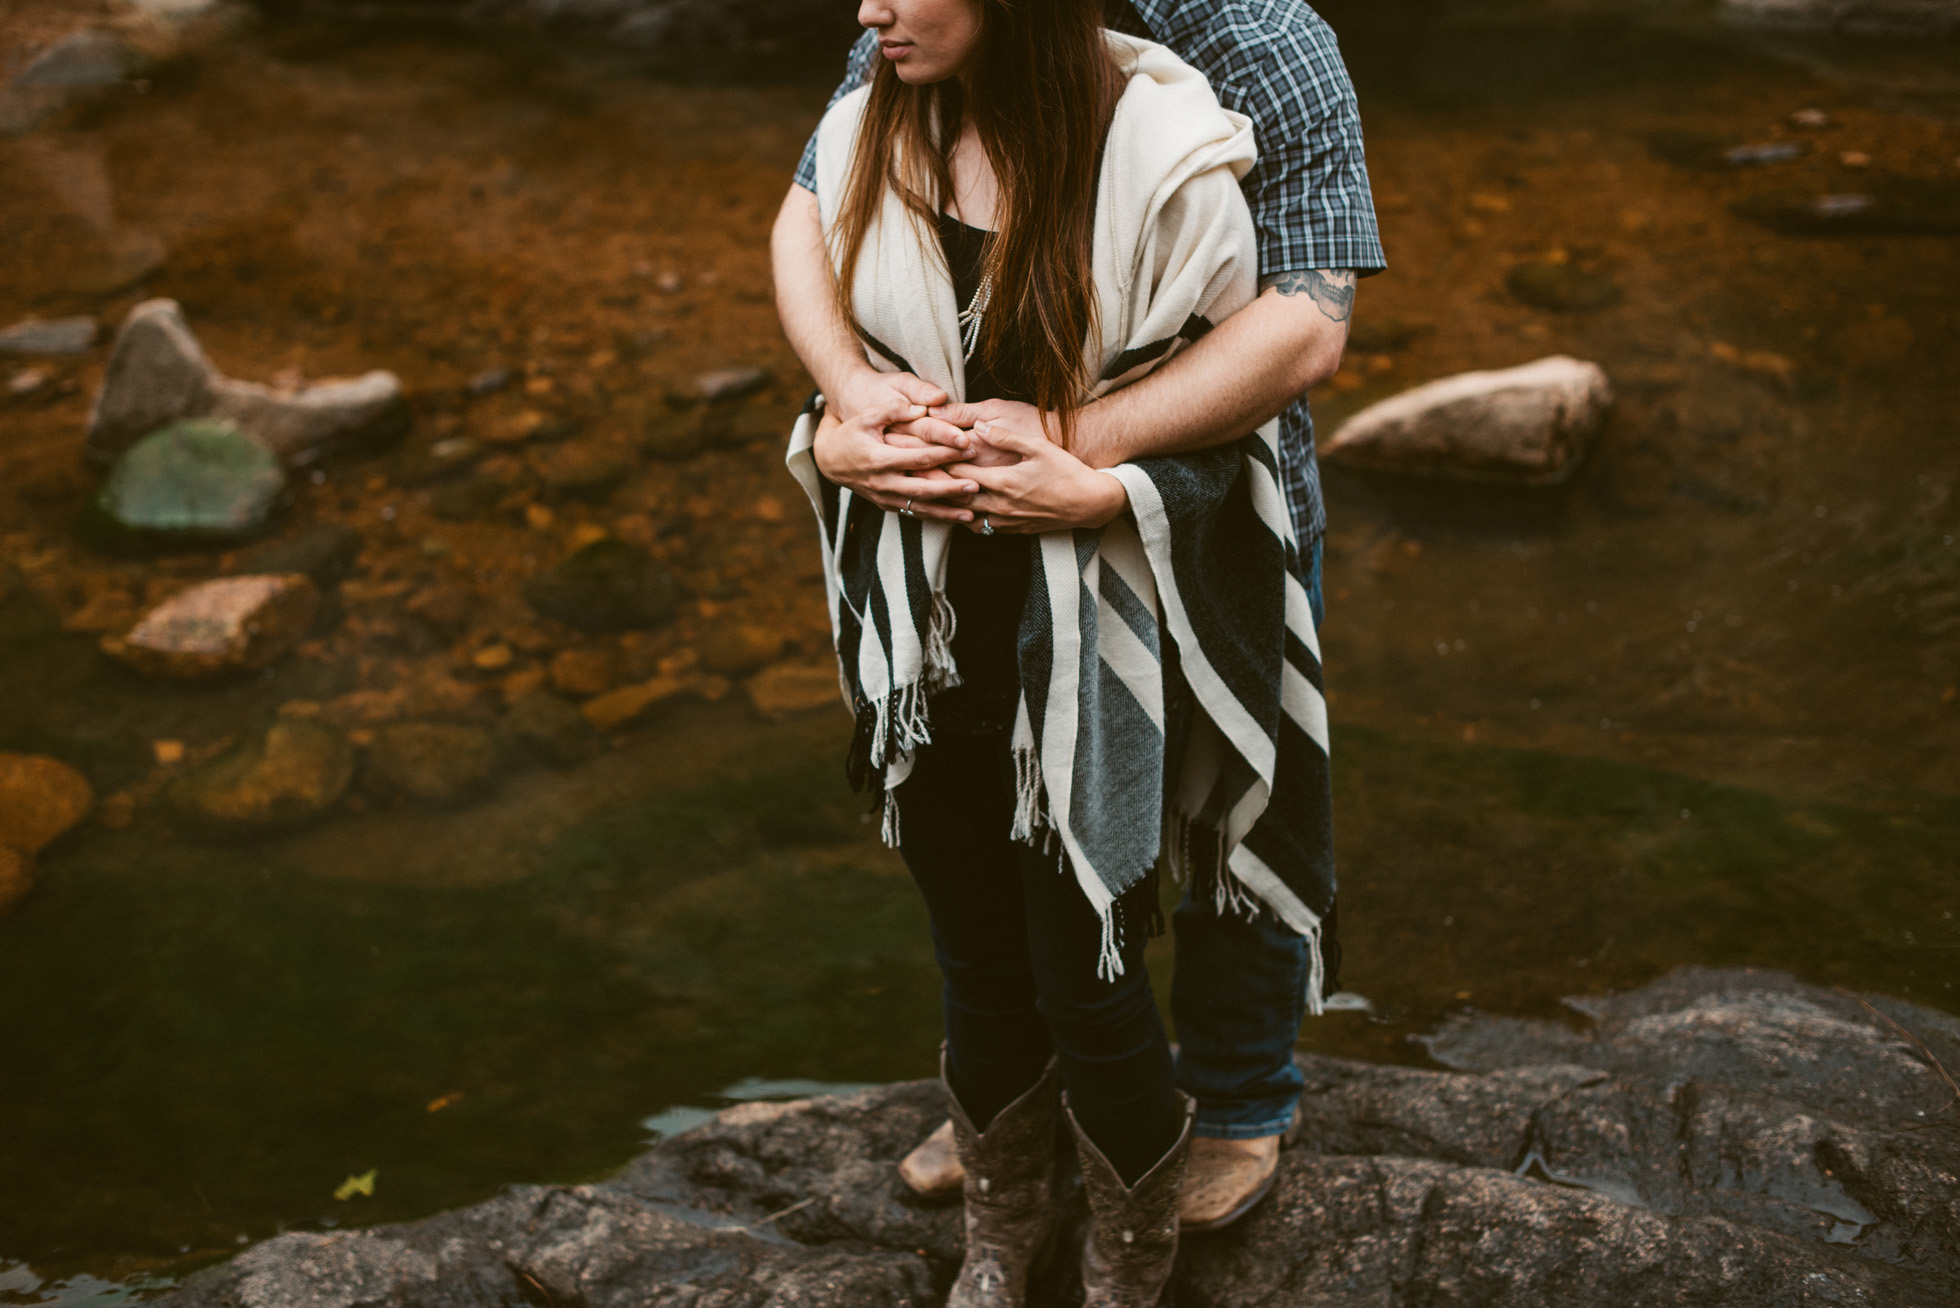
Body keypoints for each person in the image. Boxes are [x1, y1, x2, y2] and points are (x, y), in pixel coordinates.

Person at [774, 0, 1386, 1236]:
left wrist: (1077, 442)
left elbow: (1308, 319)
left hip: (1210, 514)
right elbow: (810, 204)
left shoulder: (1264, 37)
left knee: (1224, 795)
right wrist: (844, 397)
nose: (868, 9)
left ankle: (1236, 1101)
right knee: (997, 817)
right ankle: (1025, 1097)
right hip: (984, 522)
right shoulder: (921, 31)